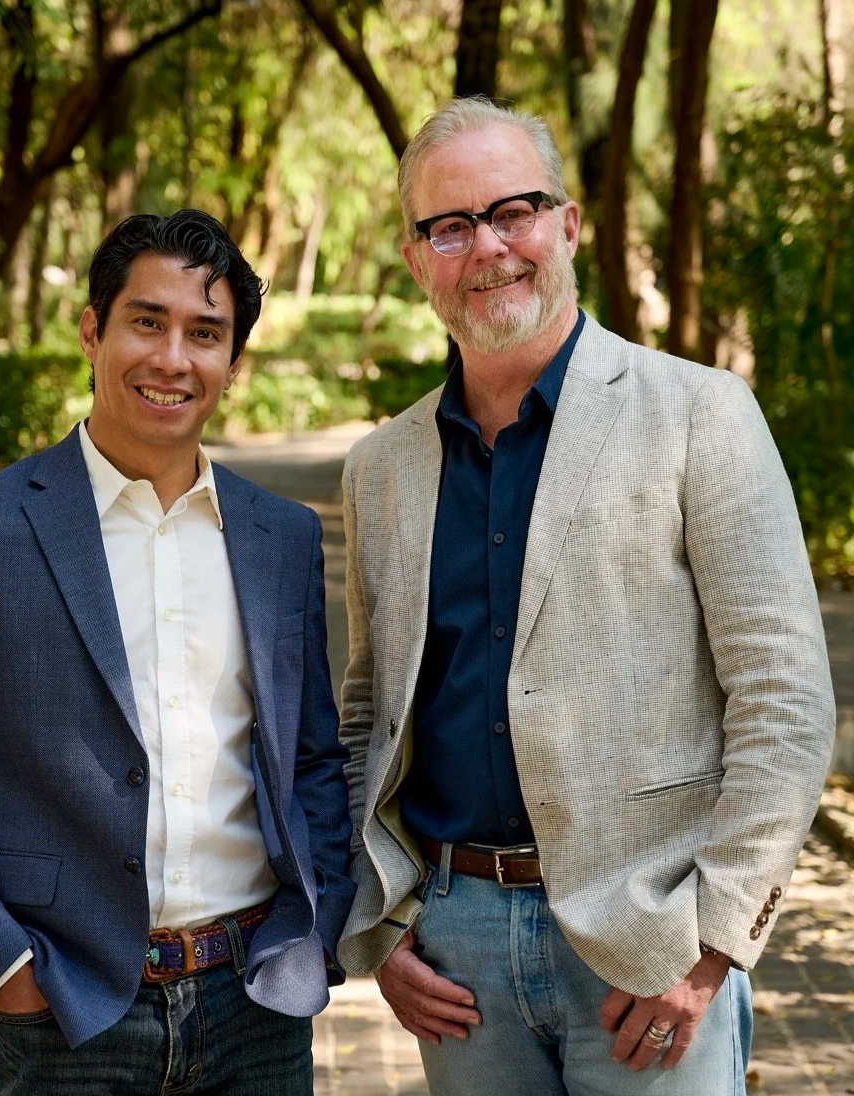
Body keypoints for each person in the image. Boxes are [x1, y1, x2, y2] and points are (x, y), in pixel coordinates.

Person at [336, 97, 835, 1096]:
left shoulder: (699, 415)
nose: (488, 247)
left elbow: (783, 699)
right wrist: (374, 921)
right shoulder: (379, 467)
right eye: (451, 226)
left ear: (567, 224)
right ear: (414, 258)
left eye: (512, 210)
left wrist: (712, 943)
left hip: (651, 942)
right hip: (455, 947)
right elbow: (366, 716)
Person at [0, 211, 355, 1096]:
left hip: (255, 1002)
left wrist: (314, 931)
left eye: (205, 334)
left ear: (233, 365)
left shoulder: (281, 536)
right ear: (92, 331)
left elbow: (312, 755)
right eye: (146, 321)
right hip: (65, 1008)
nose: (173, 358)